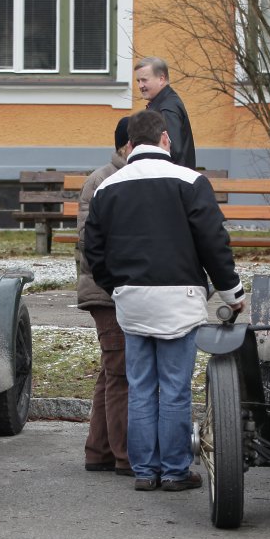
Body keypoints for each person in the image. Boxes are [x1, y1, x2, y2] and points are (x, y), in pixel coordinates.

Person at [83, 109, 243, 492]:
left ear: (129, 144)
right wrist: (231, 292)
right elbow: (213, 243)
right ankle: (174, 471)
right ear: (165, 139)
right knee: (174, 389)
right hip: (180, 297)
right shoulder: (191, 181)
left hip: (132, 299)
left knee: (140, 387)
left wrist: (116, 286)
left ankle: (144, 471)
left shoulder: (108, 187)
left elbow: (94, 250)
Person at [76, 116, 133, 476]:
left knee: (111, 370)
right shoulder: (106, 180)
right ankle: (126, 455)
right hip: (107, 291)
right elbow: (92, 242)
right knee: (121, 372)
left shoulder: (110, 176)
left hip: (106, 288)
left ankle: (99, 450)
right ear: (129, 145)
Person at [135, 56, 196, 170]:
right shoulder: (164, 103)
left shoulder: (166, 109)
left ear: (161, 79)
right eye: (138, 81)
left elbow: (174, 152)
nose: (140, 86)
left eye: (144, 80)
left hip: (170, 178)